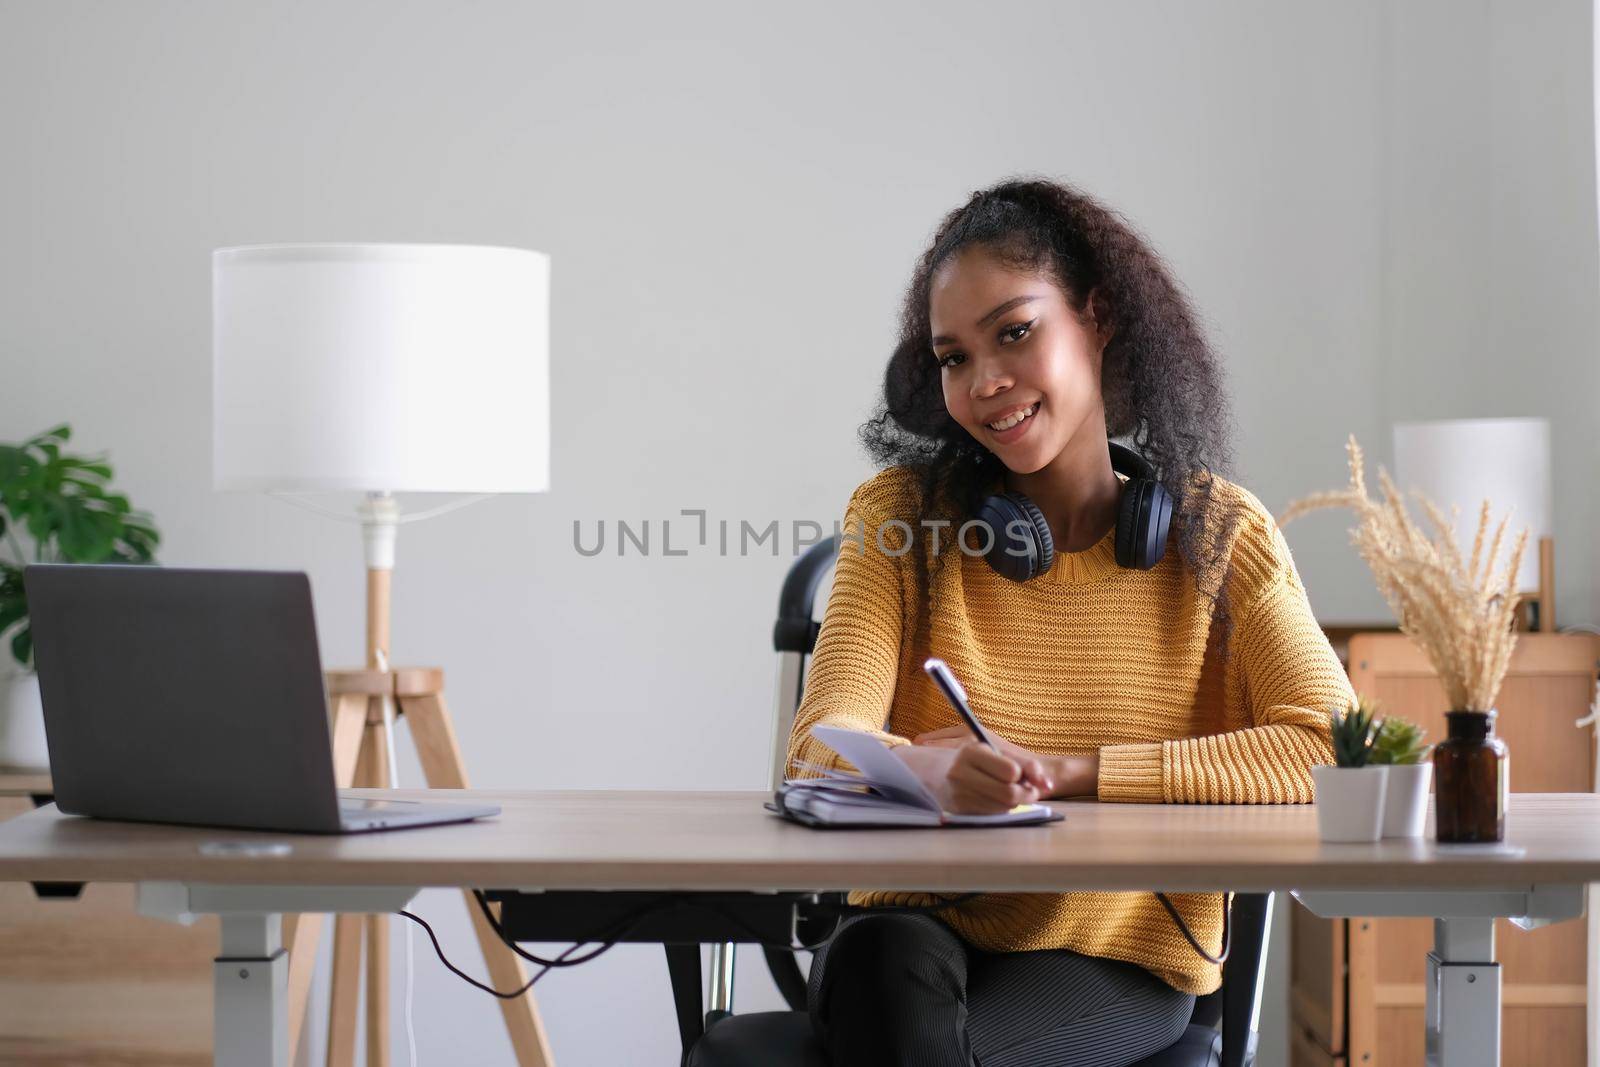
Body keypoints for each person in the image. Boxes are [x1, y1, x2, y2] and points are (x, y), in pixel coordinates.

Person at [788, 177, 1356, 1067]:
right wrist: (919, 769)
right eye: (953, 358)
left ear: (1097, 316)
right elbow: (819, 745)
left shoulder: (1222, 535)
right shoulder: (897, 517)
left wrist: (1070, 774)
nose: (984, 385)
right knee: (883, 969)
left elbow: (1329, 744)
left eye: (1015, 333)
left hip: (1117, 952)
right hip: (909, 931)